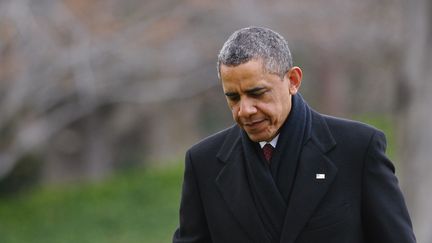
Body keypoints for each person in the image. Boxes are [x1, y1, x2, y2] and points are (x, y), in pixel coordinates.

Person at [172, 26, 416, 243]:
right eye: (233, 98)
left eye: (257, 93)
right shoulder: (204, 163)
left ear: (293, 80)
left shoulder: (358, 149)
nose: (245, 110)